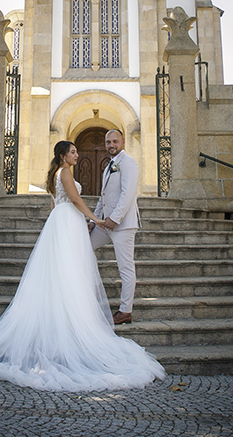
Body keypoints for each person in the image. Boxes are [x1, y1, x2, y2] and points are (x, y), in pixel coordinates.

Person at [0, 141, 165, 391]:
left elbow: (54, 204)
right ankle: (71, 320)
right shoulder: (65, 173)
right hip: (69, 219)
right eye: (73, 152)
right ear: (63, 156)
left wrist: (71, 220)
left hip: (60, 221)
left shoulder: (56, 173)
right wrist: (95, 219)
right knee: (70, 270)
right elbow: (74, 200)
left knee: (63, 269)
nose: (77, 154)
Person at [89, 128, 140, 324]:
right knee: (83, 246)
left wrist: (115, 218)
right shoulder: (109, 165)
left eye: (115, 141)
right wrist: (94, 221)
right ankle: (86, 297)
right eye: (108, 142)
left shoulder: (128, 163)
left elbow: (128, 194)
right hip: (104, 225)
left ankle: (125, 311)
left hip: (123, 225)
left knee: (126, 268)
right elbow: (103, 198)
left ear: (123, 142)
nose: (111, 145)